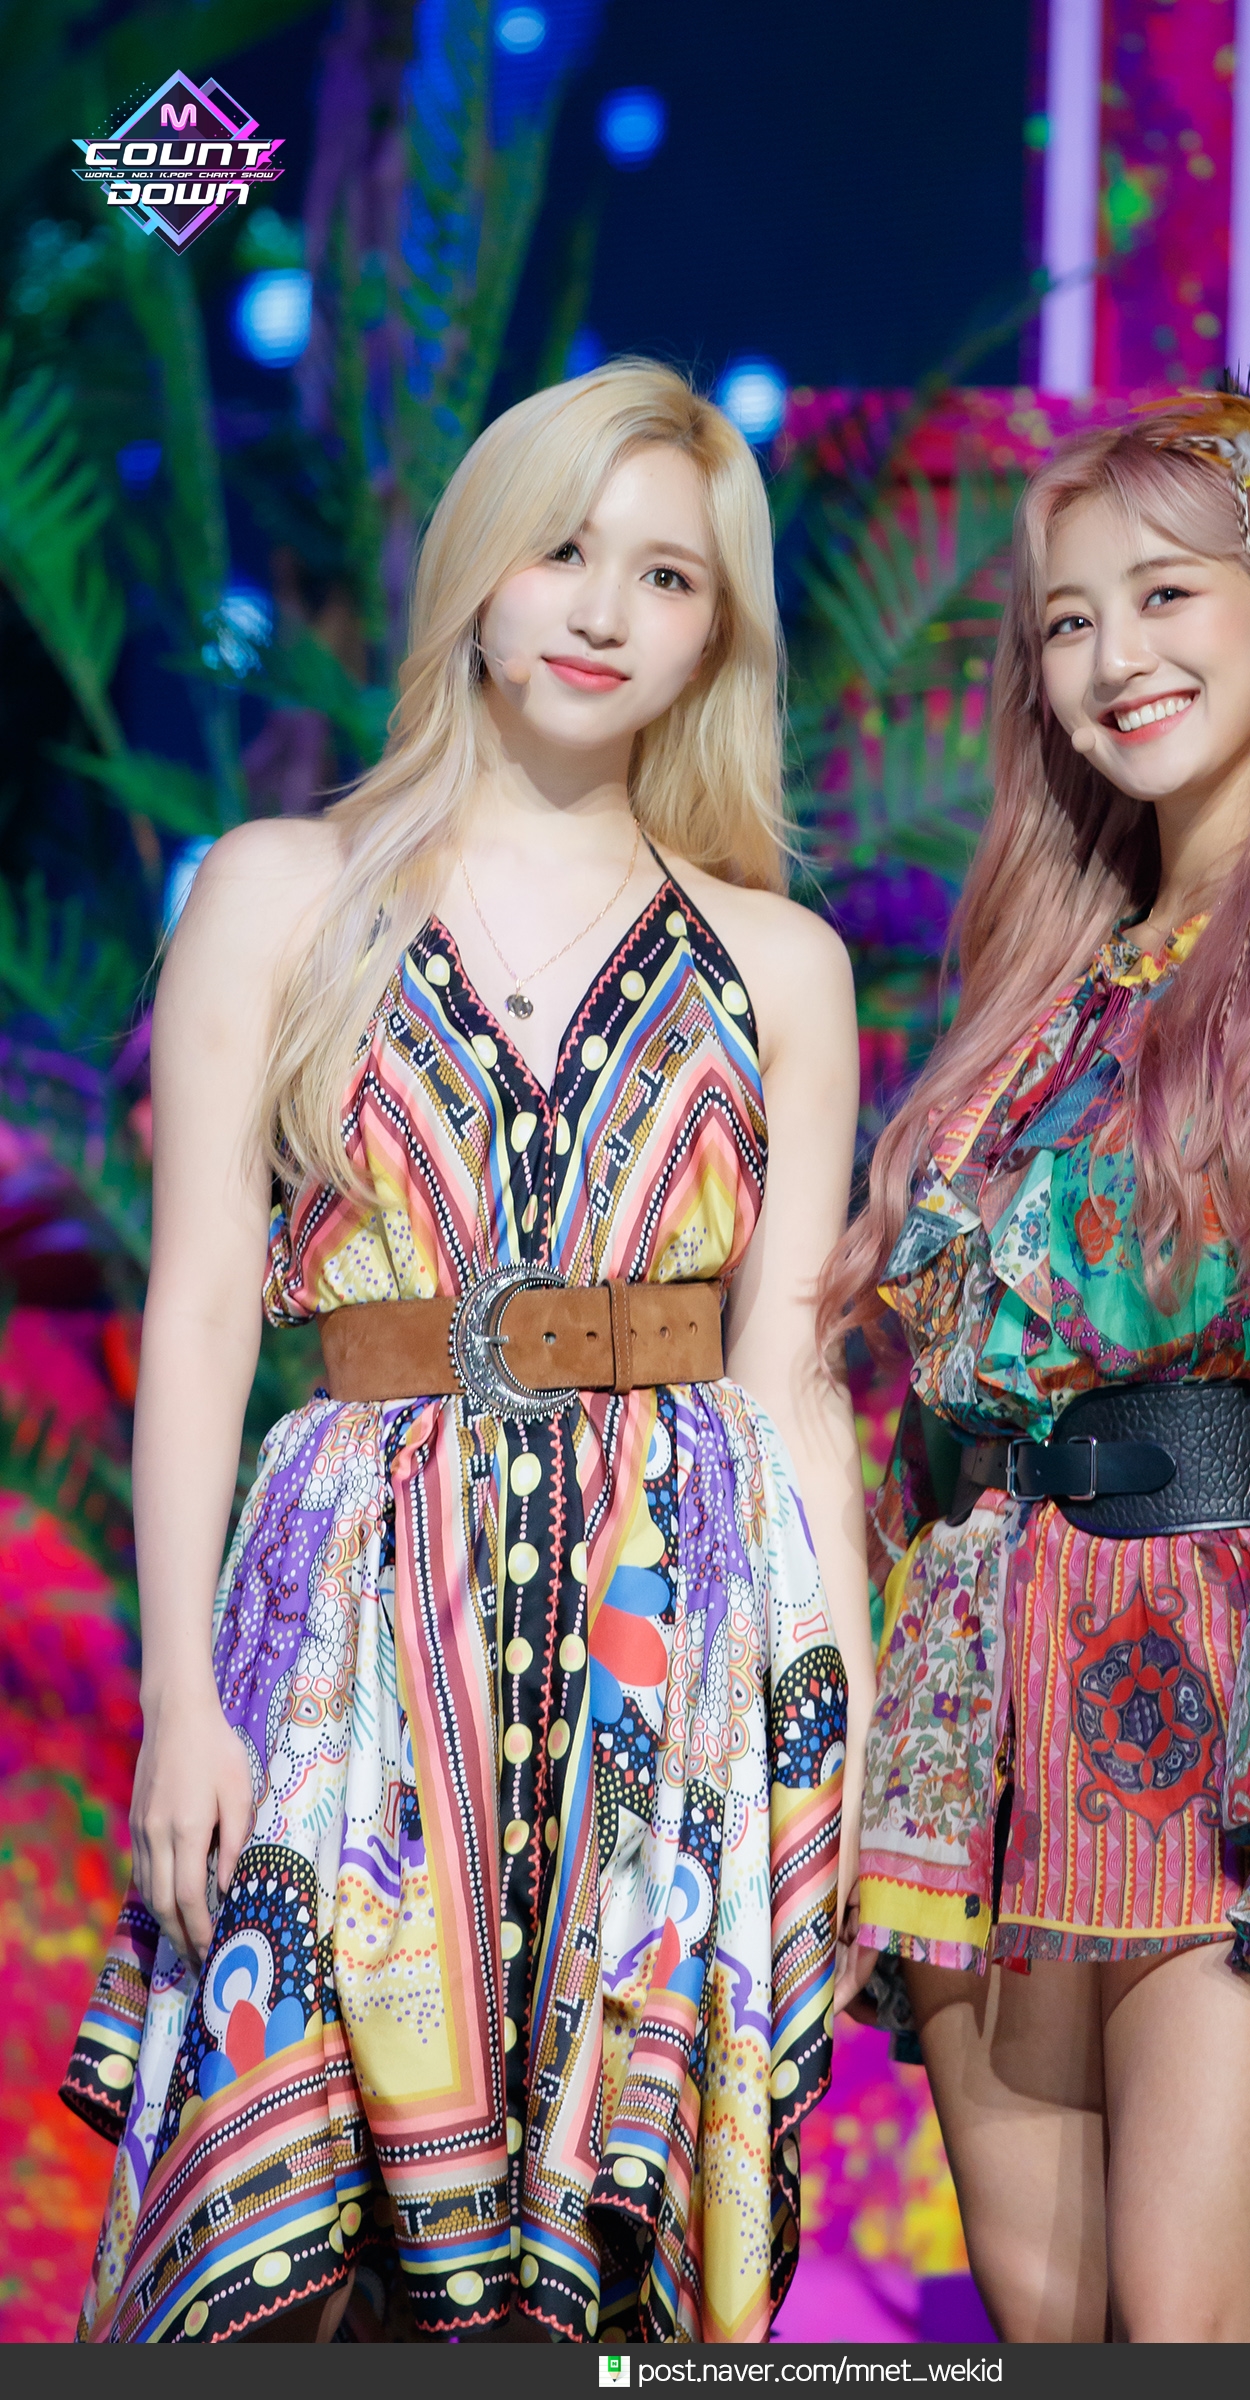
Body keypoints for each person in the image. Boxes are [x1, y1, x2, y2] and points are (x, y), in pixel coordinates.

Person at [62, 361, 873, 2346]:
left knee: (595, 2295)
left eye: (667, 576)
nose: (603, 610)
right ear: (477, 573)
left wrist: (831, 1749)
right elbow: (200, 1309)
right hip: (347, 1624)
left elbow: (790, 1378)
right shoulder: (284, 890)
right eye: (564, 549)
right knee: (300, 2249)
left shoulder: (779, 961)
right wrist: (181, 1697)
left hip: (671, 1650)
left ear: (717, 633)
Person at [822, 373, 1250, 2343]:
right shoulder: (1038, 989)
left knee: (1184, 2327)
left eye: (1162, 596)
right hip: (983, 1712)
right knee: (1043, 2326)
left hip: (1221, 1682)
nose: (1112, 656)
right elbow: (933, 1387)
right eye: (1066, 620)